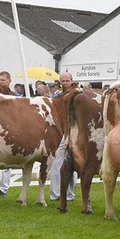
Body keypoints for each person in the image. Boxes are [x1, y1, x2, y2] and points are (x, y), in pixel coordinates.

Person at [49, 72, 77, 201]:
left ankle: (70, 193)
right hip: (63, 131)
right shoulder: (57, 96)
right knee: (57, 163)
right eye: (63, 81)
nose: (65, 83)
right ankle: (55, 194)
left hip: (74, 131)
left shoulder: (78, 95)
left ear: (72, 80)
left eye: (67, 80)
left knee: (73, 164)